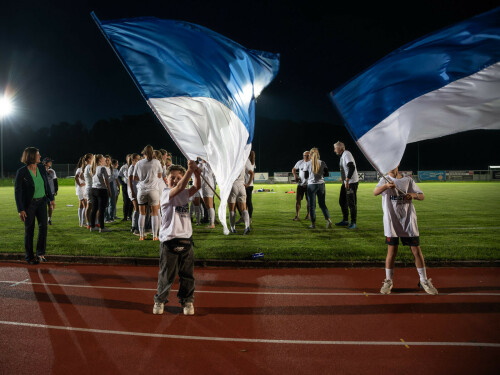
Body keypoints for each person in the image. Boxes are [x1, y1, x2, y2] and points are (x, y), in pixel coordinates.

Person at [373, 165, 438, 295]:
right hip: (392, 224)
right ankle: (388, 281)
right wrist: (386, 186)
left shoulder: (408, 180)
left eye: (393, 164)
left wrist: (412, 195)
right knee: (391, 252)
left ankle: (423, 280)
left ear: (398, 165)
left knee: (416, 251)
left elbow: (422, 196)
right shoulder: (384, 180)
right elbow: (375, 192)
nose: (391, 167)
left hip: (408, 222)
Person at [153, 160, 201, 316]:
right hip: (169, 241)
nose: (175, 180)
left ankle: (187, 301)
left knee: (187, 276)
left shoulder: (184, 193)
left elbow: (196, 187)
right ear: (166, 180)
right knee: (167, 275)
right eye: (172, 177)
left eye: (178, 177)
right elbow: (180, 186)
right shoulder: (166, 193)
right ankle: (160, 300)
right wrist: (189, 171)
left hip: (186, 240)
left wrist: (197, 175)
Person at [15, 147, 55, 264]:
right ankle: (29, 257)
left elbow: (46, 184)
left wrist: (51, 199)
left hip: (42, 201)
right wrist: (20, 209)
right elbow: (18, 192)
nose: (40, 156)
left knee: (43, 228)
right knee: (30, 230)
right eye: (38, 154)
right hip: (29, 205)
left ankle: (40, 253)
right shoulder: (21, 172)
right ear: (31, 156)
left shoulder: (42, 168)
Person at [133, 145, 163, 241]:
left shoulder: (139, 163)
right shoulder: (157, 162)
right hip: (153, 190)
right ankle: (155, 236)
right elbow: (159, 176)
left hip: (141, 190)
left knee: (142, 213)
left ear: (144, 153)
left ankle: (141, 236)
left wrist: (142, 179)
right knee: (154, 213)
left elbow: (134, 178)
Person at [334, 141, 359, 229]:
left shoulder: (346, 154)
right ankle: (345, 220)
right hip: (346, 182)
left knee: (351, 203)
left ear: (340, 148)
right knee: (342, 201)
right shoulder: (343, 155)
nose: (334, 150)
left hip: (351, 183)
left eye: (335, 148)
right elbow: (346, 168)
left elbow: (351, 166)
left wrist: (347, 179)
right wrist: (344, 178)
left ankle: (353, 222)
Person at [305, 148, 332, 229]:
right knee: (322, 204)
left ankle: (313, 224)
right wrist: (320, 175)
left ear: (310, 154)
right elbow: (327, 174)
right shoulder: (322, 162)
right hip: (321, 185)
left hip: (311, 185)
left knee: (312, 206)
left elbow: (306, 176)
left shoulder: (308, 163)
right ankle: (328, 220)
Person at [90, 154, 112, 232]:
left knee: (94, 209)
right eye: (103, 159)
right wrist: (109, 190)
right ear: (100, 160)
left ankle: (92, 226)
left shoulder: (93, 168)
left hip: (93, 189)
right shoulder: (102, 168)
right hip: (101, 190)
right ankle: (102, 227)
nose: (105, 160)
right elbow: (106, 180)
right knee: (101, 210)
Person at [228, 165, 251, 234]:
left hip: (232, 186)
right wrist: (248, 184)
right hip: (242, 186)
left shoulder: (230, 163)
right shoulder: (243, 164)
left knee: (232, 209)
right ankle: (247, 226)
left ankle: (232, 228)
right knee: (244, 208)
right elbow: (252, 173)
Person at [292, 150, 311, 221]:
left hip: (309, 185)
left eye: (307, 155)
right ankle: (297, 216)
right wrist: (295, 176)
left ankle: (308, 215)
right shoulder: (300, 162)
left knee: (308, 200)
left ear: (310, 156)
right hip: (300, 184)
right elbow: (293, 169)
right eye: (304, 155)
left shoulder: (312, 163)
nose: (306, 157)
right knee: (298, 200)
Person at [200, 159, 217, 228]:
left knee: (209, 205)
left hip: (208, 186)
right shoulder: (205, 164)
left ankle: (212, 223)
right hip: (206, 185)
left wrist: (202, 163)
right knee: (208, 205)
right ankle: (212, 222)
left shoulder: (209, 164)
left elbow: (206, 173)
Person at [128, 153, 141, 235]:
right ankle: (133, 226)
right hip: (133, 190)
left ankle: (137, 226)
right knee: (136, 208)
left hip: (138, 190)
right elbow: (130, 181)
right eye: (137, 159)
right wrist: (132, 191)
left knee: (139, 209)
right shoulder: (131, 168)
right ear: (133, 160)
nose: (139, 161)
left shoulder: (137, 167)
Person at [42, 157, 58, 225]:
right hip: (43, 192)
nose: (51, 163)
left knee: (50, 206)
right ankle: (43, 220)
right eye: (49, 162)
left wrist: (56, 189)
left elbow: (55, 181)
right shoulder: (41, 170)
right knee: (43, 207)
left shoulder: (52, 171)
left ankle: (49, 219)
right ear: (45, 163)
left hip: (51, 191)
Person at [82, 153, 94, 228]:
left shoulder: (88, 167)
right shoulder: (89, 166)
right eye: (93, 157)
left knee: (91, 206)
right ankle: (89, 223)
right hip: (90, 188)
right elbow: (93, 176)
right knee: (89, 206)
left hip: (90, 187)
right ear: (89, 159)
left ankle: (92, 223)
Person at [119, 155, 132, 221]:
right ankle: (125, 217)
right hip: (126, 186)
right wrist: (122, 183)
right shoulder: (124, 167)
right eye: (129, 158)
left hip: (132, 186)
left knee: (132, 201)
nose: (130, 160)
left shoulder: (134, 166)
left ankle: (130, 216)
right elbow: (119, 176)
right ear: (126, 159)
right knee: (126, 201)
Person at [74, 157, 87, 227]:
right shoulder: (80, 169)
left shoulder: (83, 169)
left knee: (81, 205)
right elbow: (76, 177)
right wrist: (80, 184)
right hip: (81, 189)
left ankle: (81, 222)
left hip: (83, 189)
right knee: (85, 205)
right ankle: (83, 222)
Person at [244, 151, 256, 221]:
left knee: (246, 202)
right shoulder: (252, 161)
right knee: (248, 201)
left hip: (247, 185)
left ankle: (248, 218)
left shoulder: (246, 162)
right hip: (250, 185)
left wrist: (248, 184)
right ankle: (247, 217)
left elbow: (252, 173)